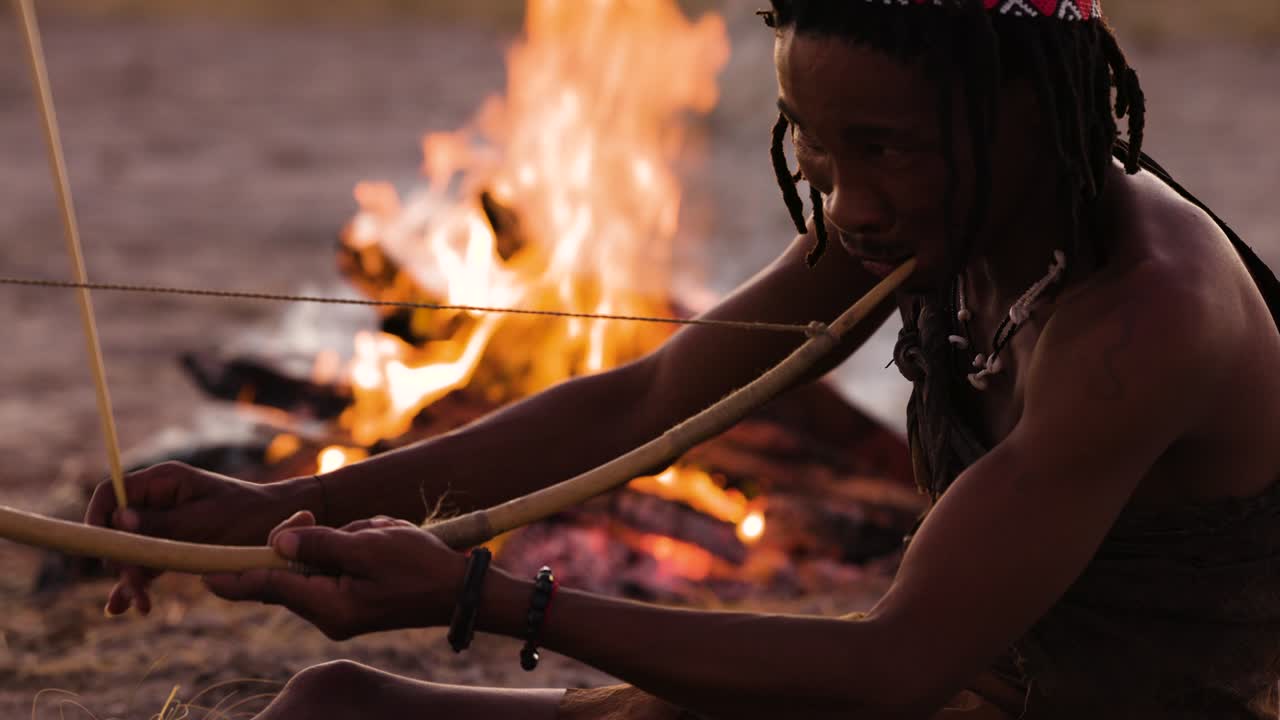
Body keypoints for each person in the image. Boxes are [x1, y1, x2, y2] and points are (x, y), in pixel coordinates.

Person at [87, 1, 1280, 718]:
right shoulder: (938, 210)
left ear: (1024, 106)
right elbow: (650, 398)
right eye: (811, 147)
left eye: (881, 150)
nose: (845, 201)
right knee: (331, 707)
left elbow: (890, 669)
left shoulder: (1144, 320)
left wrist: (476, 598)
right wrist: (272, 507)